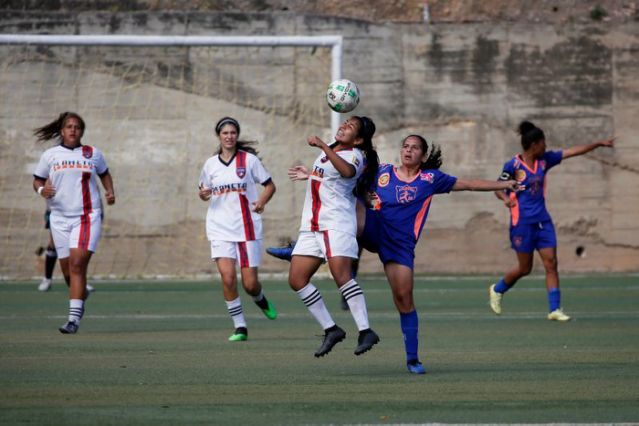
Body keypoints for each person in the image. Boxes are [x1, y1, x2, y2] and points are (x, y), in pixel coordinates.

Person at [269, 134, 520, 373]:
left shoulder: (431, 179)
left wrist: (506, 184)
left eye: (414, 147)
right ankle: (301, 247)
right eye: (405, 146)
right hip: (373, 227)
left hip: (399, 244)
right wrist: (312, 175)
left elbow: (470, 184)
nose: (408, 150)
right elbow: (345, 179)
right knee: (351, 204)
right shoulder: (383, 171)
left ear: (423, 155)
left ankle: (413, 358)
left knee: (404, 299)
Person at [489, 121, 615, 321]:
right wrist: (505, 199)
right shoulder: (513, 165)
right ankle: (497, 289)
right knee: (525, 268)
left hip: (543, 222)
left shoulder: (545, 161)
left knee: (551, 263)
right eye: (543, 143)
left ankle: (554, 309)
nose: (546, 147)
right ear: (534, 145)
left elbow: (572, 151)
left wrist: (598, 143)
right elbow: (497, 187)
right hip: (521, 223)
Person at [287, 116, 380, 358]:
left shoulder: (355, 155)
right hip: (312, 224)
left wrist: (323, 146)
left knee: (342, 277)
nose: (344, 126)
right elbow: (332, 179)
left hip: (335, 224)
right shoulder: (333, 150)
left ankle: (366, 330)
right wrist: (310, 175)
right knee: (297, 279)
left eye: (350, 127)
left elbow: (347, 173)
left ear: (358, 139)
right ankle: (331, 329)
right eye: (345, 122)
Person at [32, 112, 115, 334]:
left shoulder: (92, 154)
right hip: (59, 218)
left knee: (78, 266)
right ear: (61, 130)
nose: (72, 130)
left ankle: (73, 320)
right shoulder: (51, 155)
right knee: (68, 272)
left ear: (81, 131)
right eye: (68, 126)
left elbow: (104, 173)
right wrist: (42, 189)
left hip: (87, 217)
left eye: (77, 127)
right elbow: (37, 179)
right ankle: (80, 294)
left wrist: (109, 191)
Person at [198, 116, 278, 342]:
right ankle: (240, 326)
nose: (229, 136)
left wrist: (261, 202)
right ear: (219, 136)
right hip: (219, 227)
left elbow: (270, 186)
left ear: (237, 135)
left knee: (250, 284)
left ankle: (260, 298)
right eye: (225, 133)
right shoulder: (210, 164)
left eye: (233, 132)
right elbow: (203, 192)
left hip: (247, 228)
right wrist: (203, 194)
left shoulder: (249, 161)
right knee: (228, 278)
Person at [38, 204, 95, 293]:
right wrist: (42, 190)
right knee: (54, 243)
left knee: (78, 246)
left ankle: (80, 281)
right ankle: (47, 279)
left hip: (78, 212)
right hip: (57, 211)